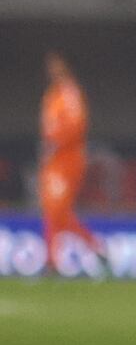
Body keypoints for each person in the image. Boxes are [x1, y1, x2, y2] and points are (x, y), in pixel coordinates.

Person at [36, 53, 99, 280]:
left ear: (66, 66)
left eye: (57, 65)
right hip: (53, 160)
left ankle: (52, 263)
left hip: (67, 160)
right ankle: (96, 248)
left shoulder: (70, 93)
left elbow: (76, 125)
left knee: (55, 210)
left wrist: (56, 142)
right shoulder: (52, 94)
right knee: (55, 212)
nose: (52, 70)